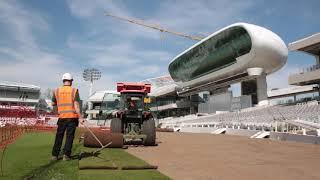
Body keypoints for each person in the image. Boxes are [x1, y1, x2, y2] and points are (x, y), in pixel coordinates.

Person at [51, 73, 83, 161]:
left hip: (61, 117)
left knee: (59, 136)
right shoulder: (74, 90)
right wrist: (80, 117)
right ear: (71, 81)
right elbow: (76, 105)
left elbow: (53, 104)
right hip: (72, 117)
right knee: (69, 137)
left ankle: (54, 155)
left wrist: (57, 112)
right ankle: (66, 155)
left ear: (63, 81)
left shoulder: (56, 91)